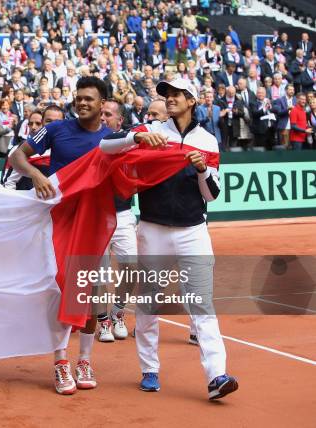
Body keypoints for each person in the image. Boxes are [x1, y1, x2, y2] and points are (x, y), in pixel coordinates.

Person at [99, 78, 239, 400]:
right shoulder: (150, 130)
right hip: (153, 230)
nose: (170, 99)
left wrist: (203, 169)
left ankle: (217, 375)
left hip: (193, 231)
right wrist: (137, 136)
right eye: (167, 94)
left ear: (191, 100)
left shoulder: (207, 140)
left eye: (176, 94)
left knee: (202, 303)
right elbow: (105, 146)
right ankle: (149, 369)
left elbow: (212, 195)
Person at [9, 76, 111, 395]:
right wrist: (38, 174)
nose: (81, 102)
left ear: (102, 104)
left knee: (92, 294)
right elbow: (16, 156)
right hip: (58, 221)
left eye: (89, 99)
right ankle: (60, 363)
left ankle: (84, 360)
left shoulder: (110, 139)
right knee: (63, 288)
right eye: (78, 97)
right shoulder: (55, 130)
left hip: (94, 222)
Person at [97, 99, 137, 343]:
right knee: (99, 275)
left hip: (123, 215)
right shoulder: (91, 141)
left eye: (108, 115)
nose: (103, 118)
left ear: (119, 121)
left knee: (132, 269)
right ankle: (102, 321)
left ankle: (117, 312)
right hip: (96, 216)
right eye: (101, 114)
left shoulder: (131, 144)